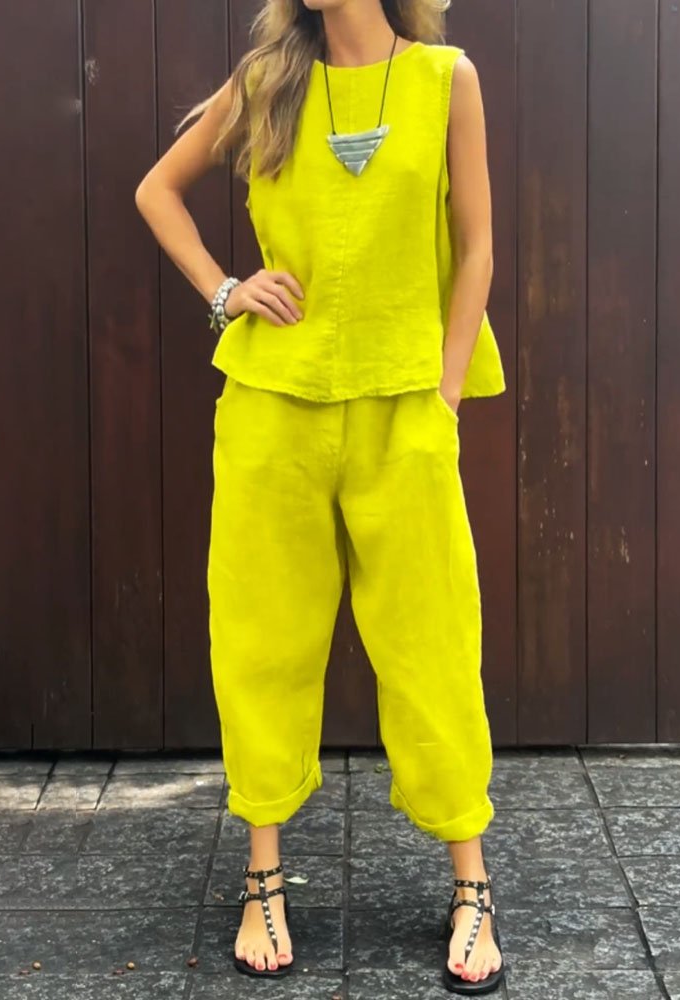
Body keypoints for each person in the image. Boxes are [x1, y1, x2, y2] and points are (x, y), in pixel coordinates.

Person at [135, 0, 507, 993]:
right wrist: (226, 290)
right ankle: (262, 878)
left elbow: (476, 246)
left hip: (403, 411)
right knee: (262, 640)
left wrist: (443, 396)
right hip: (273, 410)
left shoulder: (446, 81)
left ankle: (470, 883)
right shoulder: (267, 82)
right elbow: (156, 190)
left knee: (433, 639)